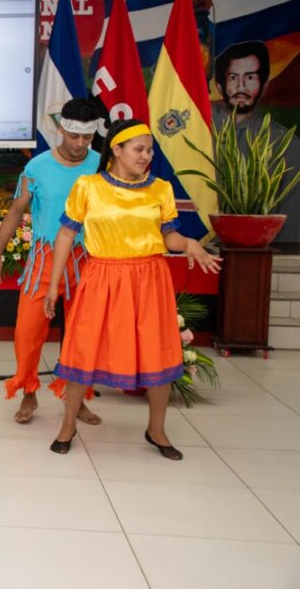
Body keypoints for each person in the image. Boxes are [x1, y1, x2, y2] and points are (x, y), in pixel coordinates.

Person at [43, 119, 221, 460]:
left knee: (158, 353)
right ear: (117, 150)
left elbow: (169, 236)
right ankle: (68, 424)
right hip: (102, 277)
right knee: (85, 351)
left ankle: (156, 429)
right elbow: (66, 235)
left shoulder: (160, 189)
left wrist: (189, 243)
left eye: (150, 149)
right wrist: (53, 285)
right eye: (139, 149)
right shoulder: (88, 186)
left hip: (149, 279)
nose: (146, 156)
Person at [0, 98, 103, 424]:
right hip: (43, 260)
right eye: (74, 136)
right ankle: (28, 392)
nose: (80, 144)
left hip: (87, 261)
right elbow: (15, 211)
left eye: (87, 138)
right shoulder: (36, 167)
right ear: (60, 128)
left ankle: (76, 398)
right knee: (27, 332)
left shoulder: (101, 165)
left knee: (81, 336)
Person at [210, 40, 300, 242]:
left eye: (251, 77)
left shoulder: (286, 144)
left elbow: (289, 223)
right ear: (220, 85)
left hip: (257, 251)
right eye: (233, 77)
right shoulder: (198, 129)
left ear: (264, 86)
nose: (241, 86)